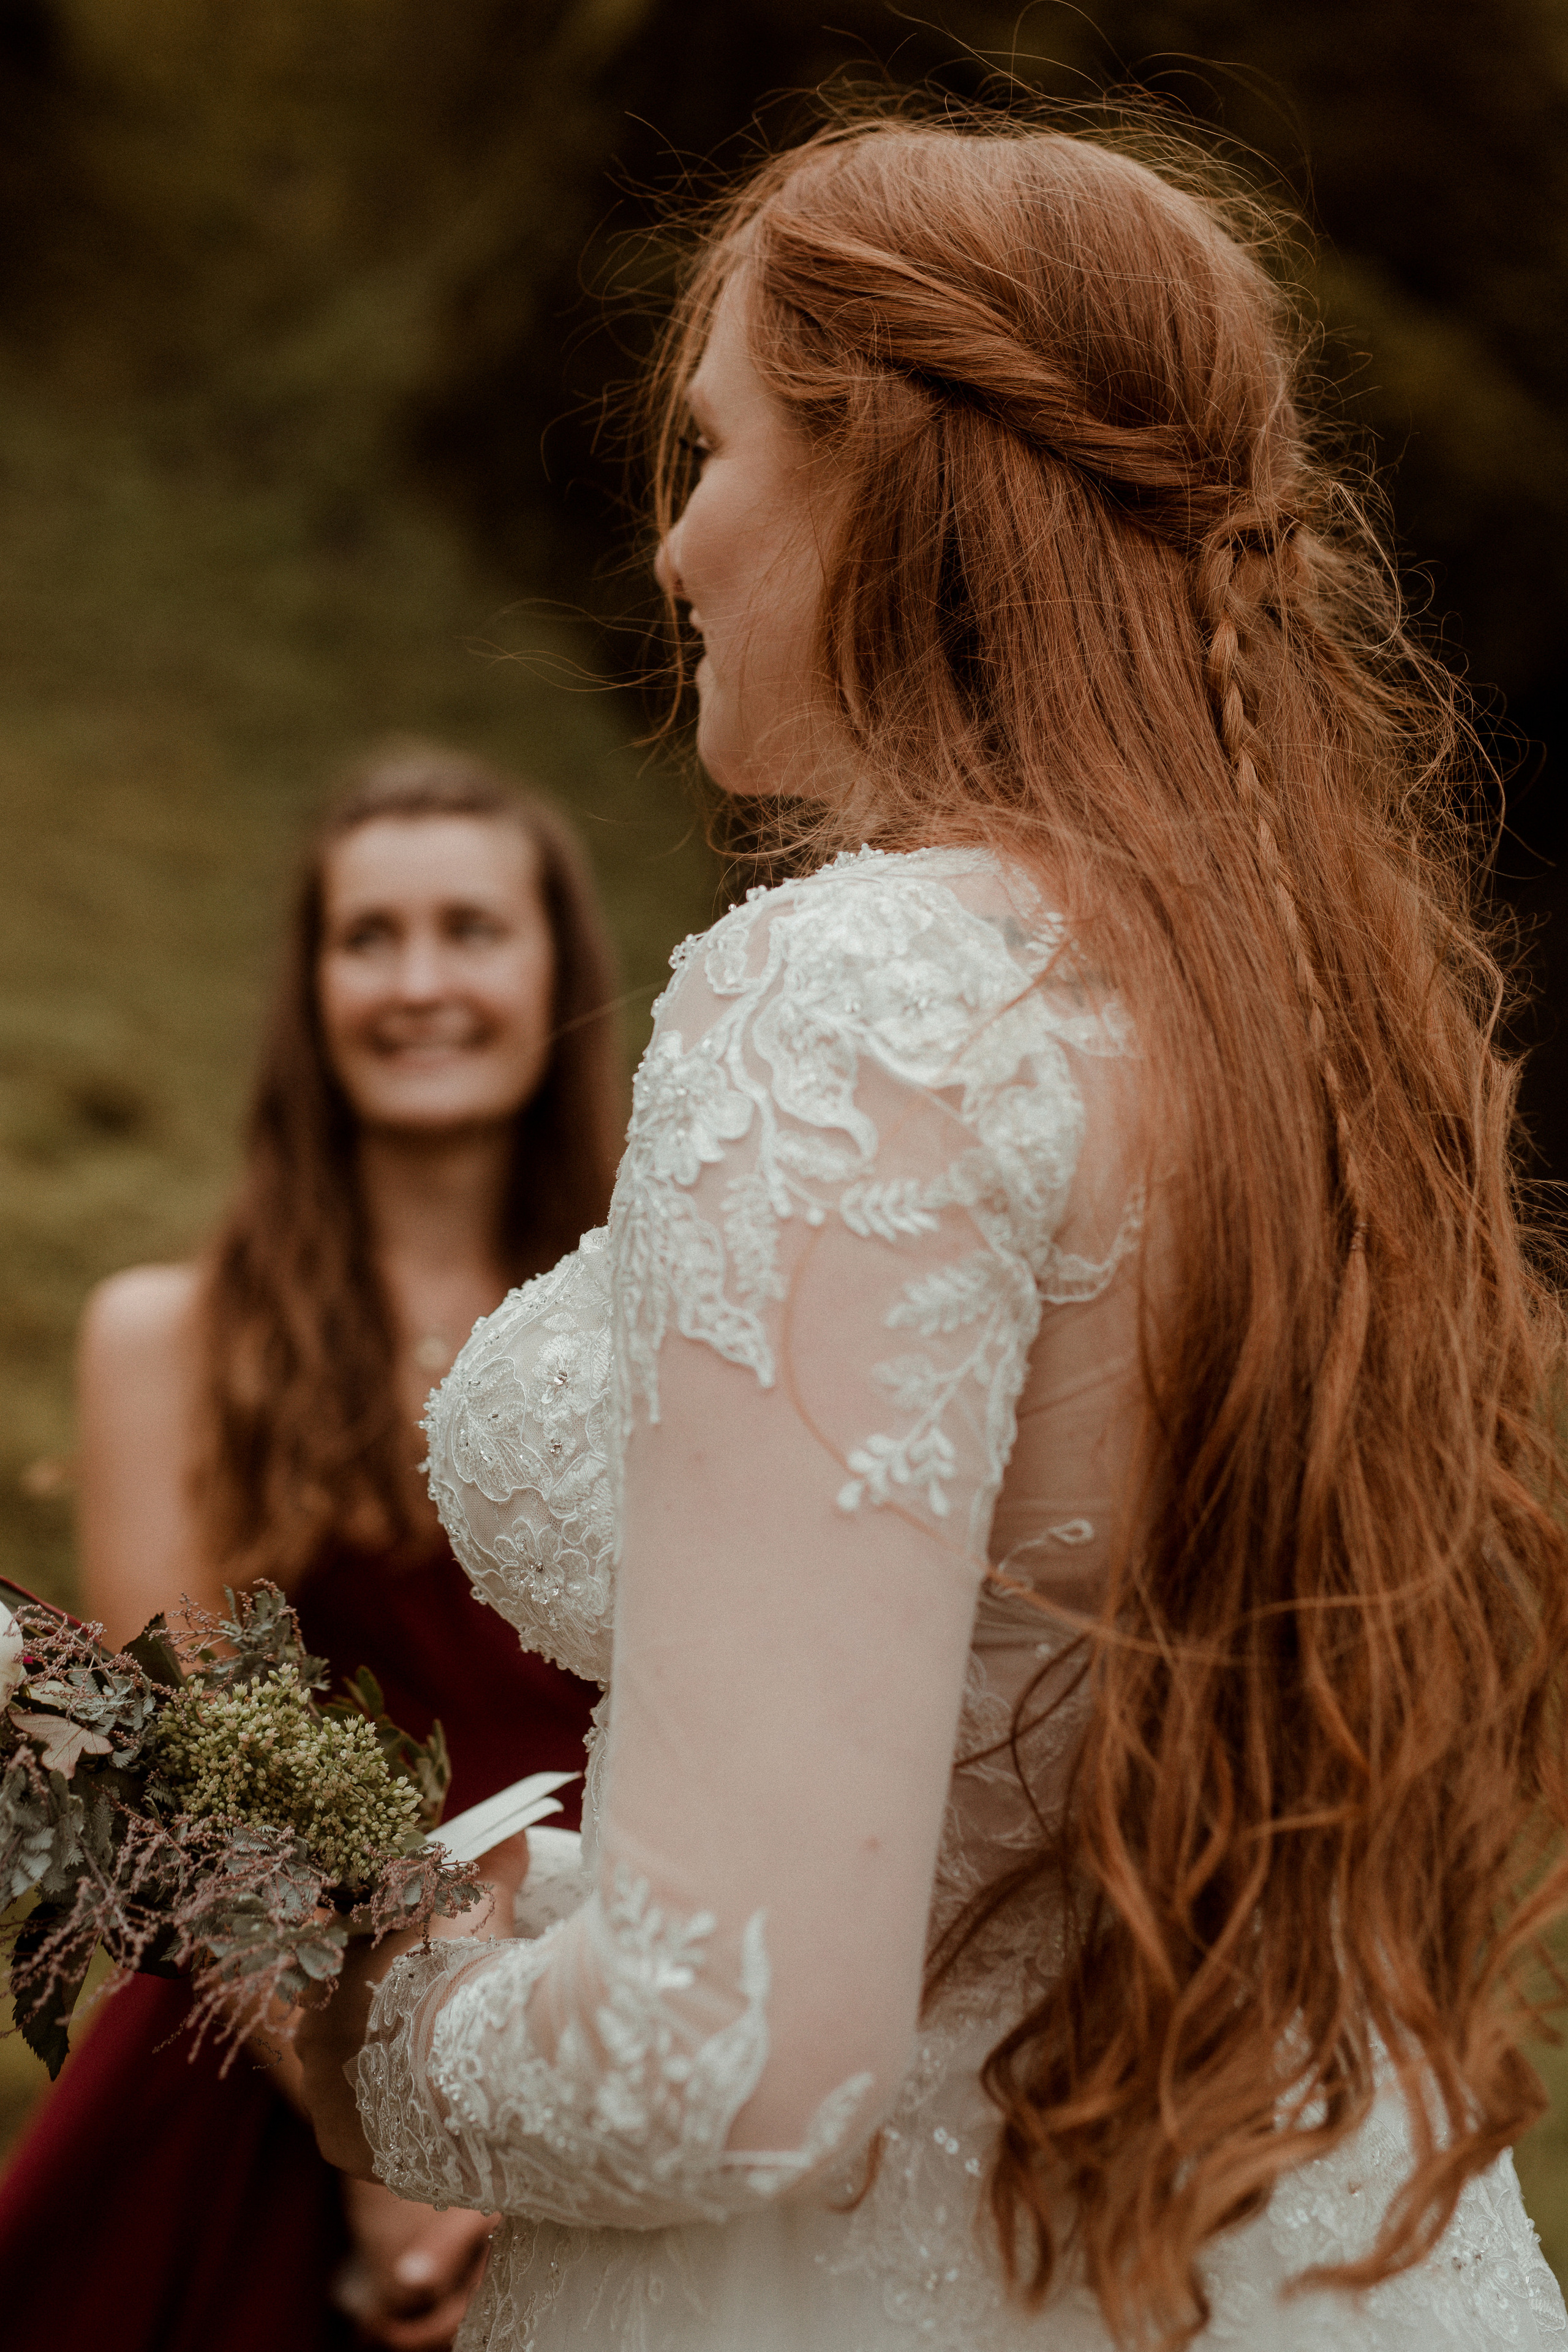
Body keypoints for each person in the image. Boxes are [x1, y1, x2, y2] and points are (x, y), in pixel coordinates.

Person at [296, 116, 1568, 2350]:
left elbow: (736, 2065)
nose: (672, 544)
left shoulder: (875, 999)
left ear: (874, 471)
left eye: (706, 454)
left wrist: (352, 2007)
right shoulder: (1305, 1022)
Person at [0, 745, 624, 2350]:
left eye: (472, 930)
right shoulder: (169, 1337)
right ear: (311, 985)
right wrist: (387, 2144)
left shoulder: (657, 1321)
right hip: (275, 2042)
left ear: (557, 966)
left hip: (606, 2021)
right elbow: (191, 1771)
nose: (420, 982)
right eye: (371, 937)